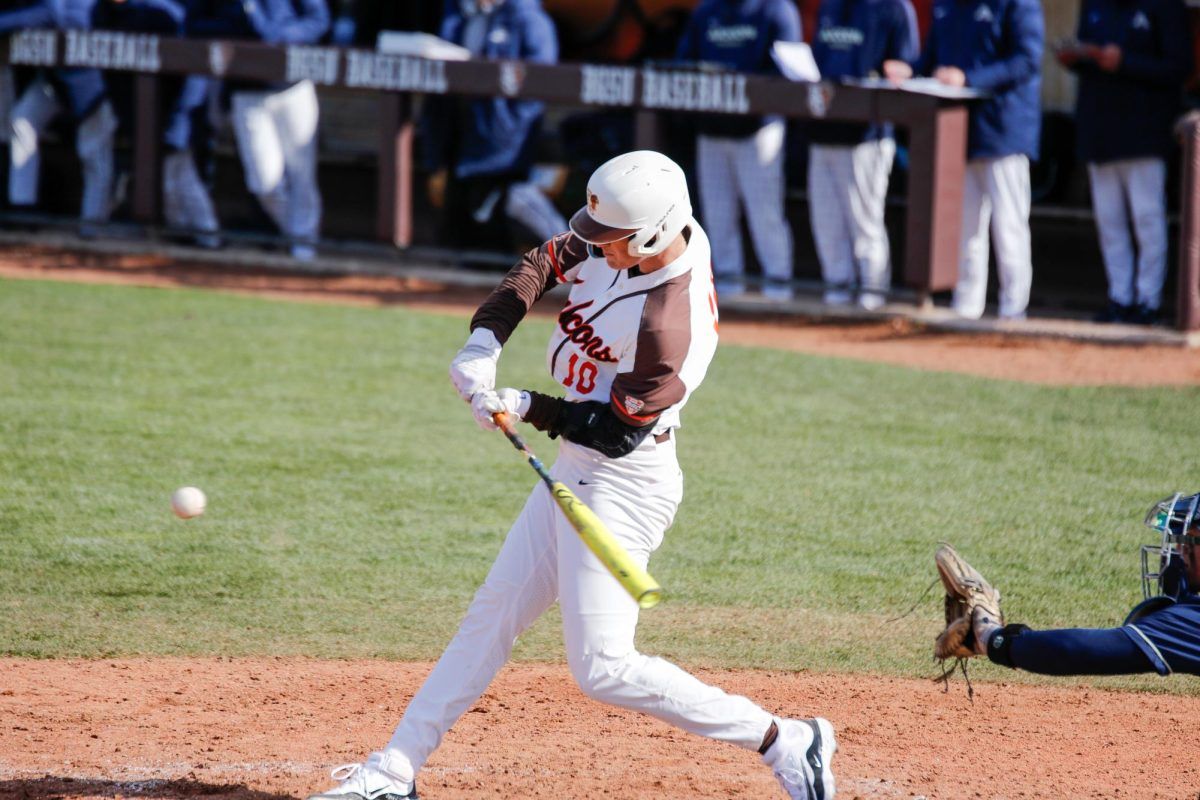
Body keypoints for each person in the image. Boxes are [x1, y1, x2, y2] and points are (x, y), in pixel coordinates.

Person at [303, 151, 837, 800]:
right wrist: (483, 344)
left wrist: (527, 405)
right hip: (580, 467)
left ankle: (787, 740)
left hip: (624, 480)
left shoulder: (670, 325)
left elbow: (617, 432)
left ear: (646, 236)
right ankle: (393, 772)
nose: (589, 244)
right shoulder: (622, 235)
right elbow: (540, 264)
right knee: (491, 617)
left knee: (604, 668)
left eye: (605, 239)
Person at [884, 0, 1044, 320]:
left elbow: (1026, 60)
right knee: (966, 227)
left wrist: (969, 78)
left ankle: (1014, 311)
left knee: (1009, 226)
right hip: (957, 130)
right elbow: (932, 60)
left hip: (1003, 130)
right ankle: (967, 308)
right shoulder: (946, 5)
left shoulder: (1018, 4)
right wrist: (910, 69)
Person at [935, 491, 1200, 678]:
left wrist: (990, 637)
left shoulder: (1191, 622)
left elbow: (1078, 651)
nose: (1178, 553)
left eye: (1187, 542)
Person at [1054, 0, 1192, 326]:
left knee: (1147, 219)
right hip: (1100, 130)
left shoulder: (1164, 7)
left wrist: (1125, 62)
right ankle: (1120, 297)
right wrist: (1076, 59)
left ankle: (1148, 302)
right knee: (1110, 222)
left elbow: (1180, 67)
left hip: (1145, 131)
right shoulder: (1094, 4)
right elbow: (1088, 54)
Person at [675, 0, 802, 300]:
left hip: (758, 130)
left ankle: (778, 287)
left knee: (765, 213)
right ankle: (728, 290)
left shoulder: (776, 10)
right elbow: (684, 62)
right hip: (712, 129)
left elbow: (790, 72)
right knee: (718, 216)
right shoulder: (707, 12)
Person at [421, 0, 567, 253]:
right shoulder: (458, 12)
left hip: (503, 138)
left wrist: (508, 123)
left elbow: (542, 79)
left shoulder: (527, 17)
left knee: (500, 208)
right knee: (459, 214)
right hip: (459, 129)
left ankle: (570, 261)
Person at [189, 0, 329, 260]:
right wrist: (238, 28)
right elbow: (194, 22)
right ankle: (294, 233)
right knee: (263, 181)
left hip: (292, 85)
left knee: (302, 173)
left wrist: (281, 37)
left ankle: (304, 250)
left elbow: (318, 19)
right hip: (246, 89)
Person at [808, 0, 919, 310]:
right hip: (823, 128)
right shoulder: (830, 6)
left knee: (865, 224)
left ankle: (872, 298)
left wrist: (902, 70)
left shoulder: (895, 8)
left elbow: (910, 64)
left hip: (867, 137)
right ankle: (836, 293)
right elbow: (817, 61)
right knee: (827, 224)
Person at [92, 0, 221, 247]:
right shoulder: (106, 12)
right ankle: (185, 233)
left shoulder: (165, 13)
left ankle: (209, 236)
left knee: (180, 172)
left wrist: (179, 119)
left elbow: (191, 71)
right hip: (144, 108)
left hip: (177, 106)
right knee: (169, 177)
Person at [0, 0, 118, 228]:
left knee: (93, 155)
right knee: (22, 120)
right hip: (56, 81)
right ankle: (23, 208)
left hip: (94, 84)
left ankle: (92, 227)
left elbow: (50, 13)